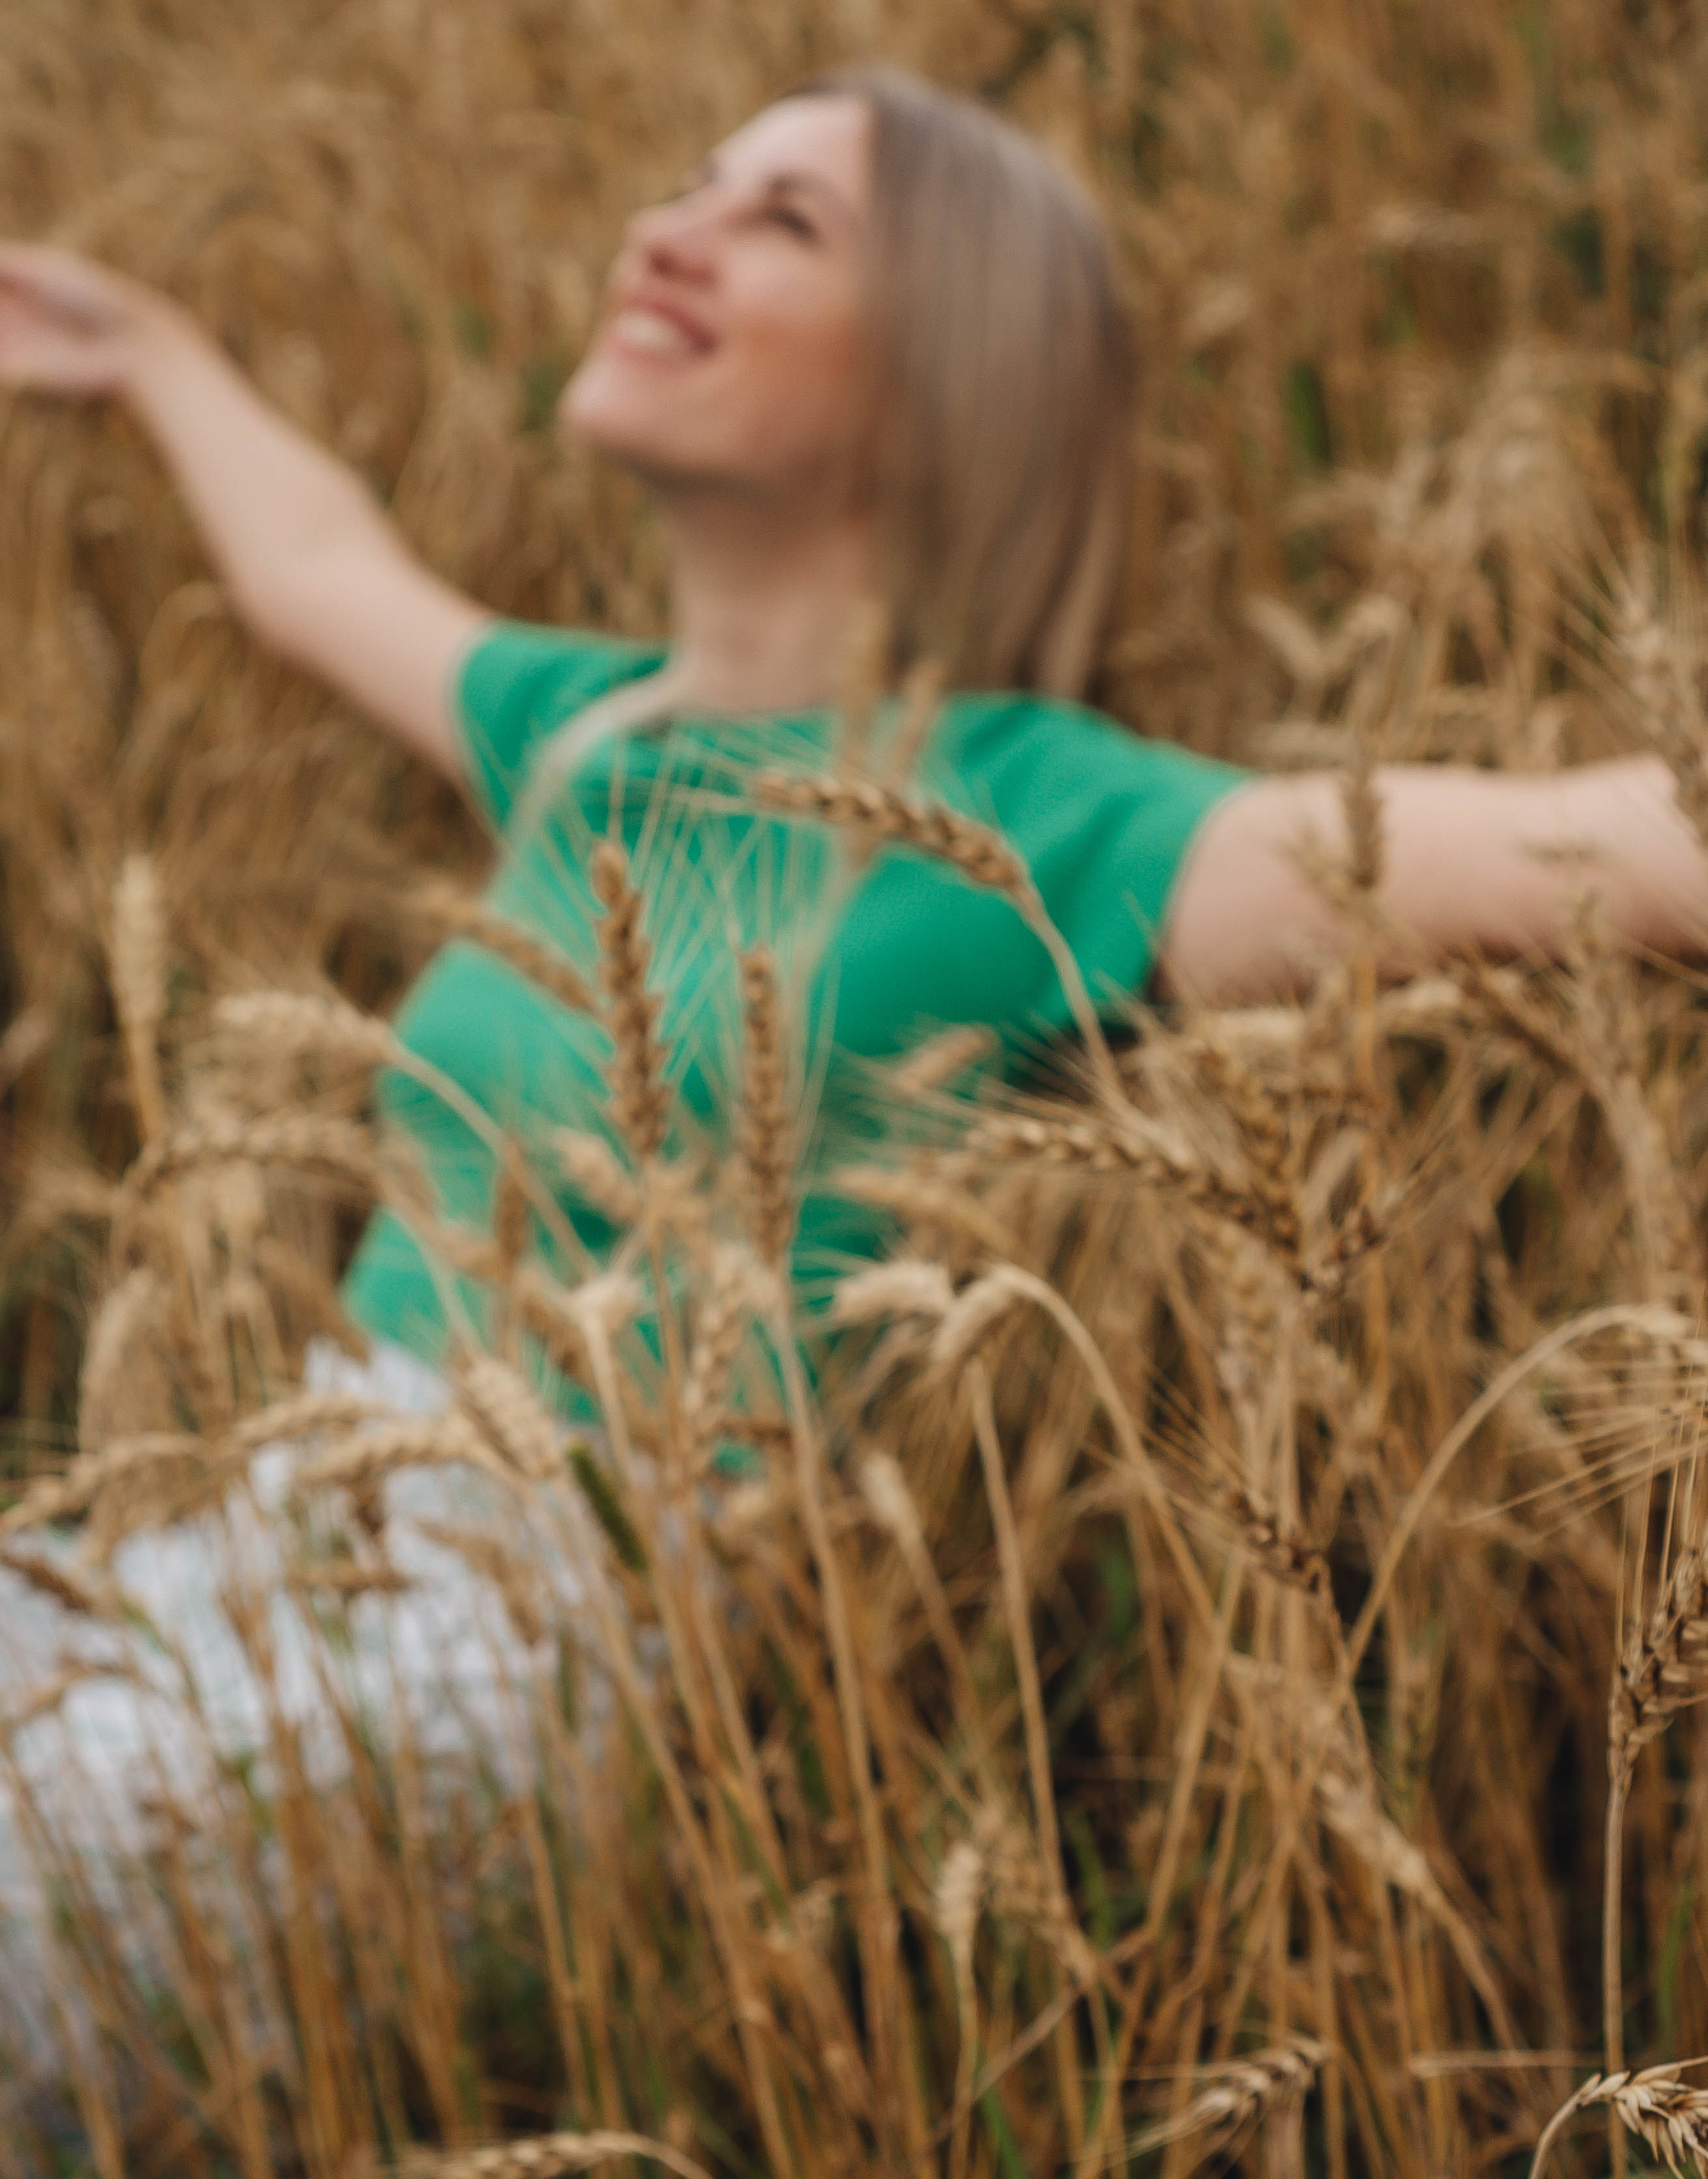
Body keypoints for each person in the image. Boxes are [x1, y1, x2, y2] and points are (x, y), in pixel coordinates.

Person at [3, 62, 1707, 1367]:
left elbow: (1585, 849)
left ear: (947, 375)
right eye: (694, 187)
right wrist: (144, 348)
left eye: (784, 222)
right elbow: (313, 566)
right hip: (279, 1585)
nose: (663, 234)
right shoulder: (591, 737)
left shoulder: (1034, 822)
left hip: (522, 1655)